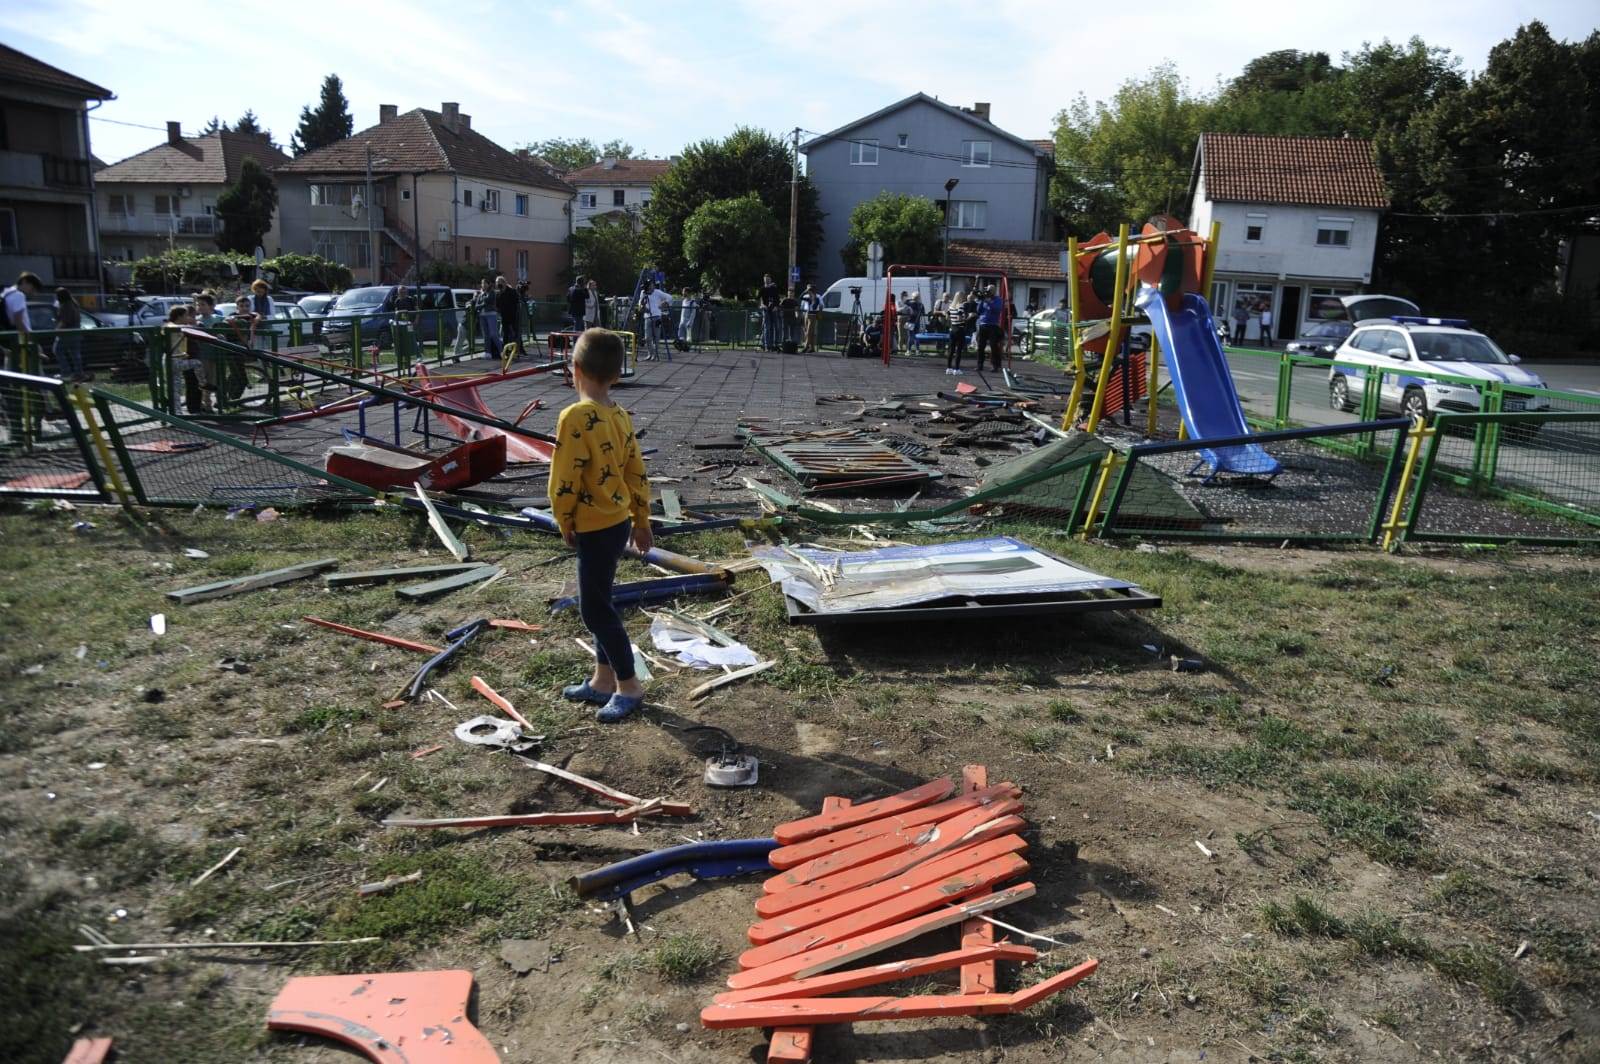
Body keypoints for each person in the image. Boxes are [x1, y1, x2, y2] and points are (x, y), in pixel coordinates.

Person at [548, 329, 653, 723]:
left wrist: (564, 517)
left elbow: (564, 479)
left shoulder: (574, 417)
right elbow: (636, 472)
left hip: (592, 527)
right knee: (601, 599)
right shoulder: (621, 415)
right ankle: (601, 680)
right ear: (616, 375)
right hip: (618, 523)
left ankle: (629, 685)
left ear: (574, 370)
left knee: (595, 611)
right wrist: (641, 520)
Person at [52, 287, 85, 381]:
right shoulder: (74, 304)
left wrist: (56, 330)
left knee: (57, 350)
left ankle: (66, 372)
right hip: (76, 333)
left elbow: (65, 321)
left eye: (56, 296)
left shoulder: (66, 306)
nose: (56, 298)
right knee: (75, 354)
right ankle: (79, 373)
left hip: (66, 333)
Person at [639, 281, 671, 360]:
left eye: (652, 285)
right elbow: (640, 302)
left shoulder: (658, 292)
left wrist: (665, 303)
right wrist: (641, 305)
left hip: (657, 317)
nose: (651, 287)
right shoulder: (643, 292)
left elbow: (669, 297)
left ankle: (655, 354)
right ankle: (650, 353)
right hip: (647, 316)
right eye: (650, 285)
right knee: (647, 337)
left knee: (656, 336)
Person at [975, 285, 1005, 372]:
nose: (988, 292)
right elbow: (978, 311)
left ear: (994, 291)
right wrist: (981, 301)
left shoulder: (998, 299)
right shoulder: (984, 299)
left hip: (993, 325)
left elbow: (997, 310)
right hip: (983, 324)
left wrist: (989, 302)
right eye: (988, 290)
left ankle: (995, 366)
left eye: (990, 290)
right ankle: (979, 365)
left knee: (994, 346)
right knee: (981, 346)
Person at [494, 276, 524, 358]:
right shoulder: (498, 293)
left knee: (515, 333)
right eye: (496, 282)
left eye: (499, 282)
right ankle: (506, 352)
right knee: (505, 335)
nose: (497, 284)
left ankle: (517, 351)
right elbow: (497, 306)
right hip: (504, 317)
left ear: (504, 282)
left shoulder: (512, 291)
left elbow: (517, 302)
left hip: (513, 316)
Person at [946, 287, 971, 374]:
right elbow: (960, 318)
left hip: (952, 328)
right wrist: (967, 318)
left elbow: (947, 317)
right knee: (959, 350)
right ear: (960, 297)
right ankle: (956, 369)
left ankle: (949, 368)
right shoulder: (960, 306)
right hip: (959, 329)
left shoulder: (951, 306)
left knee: (951, 350)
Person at [474, 278, 501, 357]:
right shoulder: (480, 293)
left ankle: (502, 351)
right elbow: (476, 305)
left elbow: (487, 300)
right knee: (486, 335)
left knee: (493, 334)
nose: (483, 285)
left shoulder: (491, 292)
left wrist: (482, 303)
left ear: (489, 284)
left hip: (491, 314)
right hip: (482, 315)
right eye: (482, 283)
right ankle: (487, 353)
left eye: (485, 283)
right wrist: (481, 303)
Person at [759, 273, 780, 352]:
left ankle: (776, 345)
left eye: (768, 279)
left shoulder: (774, 288)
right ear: (764, 280)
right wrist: (762, 305)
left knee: (776, 327)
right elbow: (758, 298)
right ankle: (766, 345)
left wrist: (776, 307)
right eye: (765, 279)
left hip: (774, 309)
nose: (767, 280)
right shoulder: (762, 289)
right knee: (767, 328)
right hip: (766, 310)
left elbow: (777, 299)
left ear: (770, 280)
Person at [799, 283, 822, 352]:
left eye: (811, 290)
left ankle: (806, 346)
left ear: (814, 291)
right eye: (809, 291)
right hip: (807, 315)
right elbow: (800, 297)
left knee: (809, 332)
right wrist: (805, 291)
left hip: (813, 316)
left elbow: (815, 307)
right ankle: (811, 348)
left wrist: (813, 299)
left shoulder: (817, 298)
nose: (810, 292)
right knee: (808, 332)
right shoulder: (808, 298)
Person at [903, 290, 924, 355]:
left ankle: (908, 350)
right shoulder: (920, 304)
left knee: (910, 337)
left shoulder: (909, 303)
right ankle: (917, 350)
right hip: (916, 322)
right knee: (916, 337)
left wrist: (912, 298)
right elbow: (923, 313)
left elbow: (905, 301)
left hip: (910, 322)